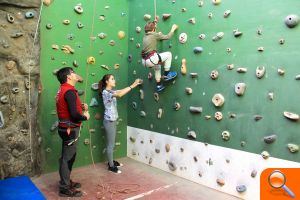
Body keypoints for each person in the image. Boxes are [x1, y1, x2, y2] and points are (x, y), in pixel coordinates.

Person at [55, 67, 90, 197]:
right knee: (67, 159)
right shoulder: (69, 91)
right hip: (69, 130)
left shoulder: (63, 90)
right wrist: (85, 116)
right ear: (69, 77)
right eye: (73, 72)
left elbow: (68, 108)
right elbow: (75, 115)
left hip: (65, 128)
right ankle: (64, 188)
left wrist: (81, 107)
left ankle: (66, 181)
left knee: (68, 157)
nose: (76, 74)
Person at [99, 74, 141, 173]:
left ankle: (111, 161)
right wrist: (132, 85)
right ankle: (111, 166)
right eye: (112, 79)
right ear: (107, 81)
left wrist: (134, 85)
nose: (114, 80)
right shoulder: (105, 92)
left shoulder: (110, 91)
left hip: (112, 120)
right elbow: (120, 94)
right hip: (109, 121)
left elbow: (121, 91)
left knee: (112, 144)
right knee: (110, 145)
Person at [141, 16, 179, 92]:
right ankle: (167, 74)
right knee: (168, 54)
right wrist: (173, 29)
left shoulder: (145, 36)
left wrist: (155, 22)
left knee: (157, 66)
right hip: (151, 59)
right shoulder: (154, 35)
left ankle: (158, 85)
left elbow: (152, 29)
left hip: (145, 61)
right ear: (153, 29)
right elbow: (167, 37)